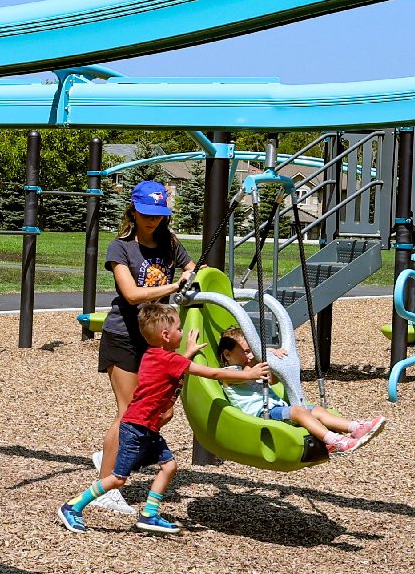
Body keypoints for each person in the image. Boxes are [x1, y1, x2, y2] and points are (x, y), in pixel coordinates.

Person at [59, 303, 268, 534]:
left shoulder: (153, 355)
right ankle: (73, 506)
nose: (182, 331)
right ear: (166, 335)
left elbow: (174, 368)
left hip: (146, 427)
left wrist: (187, 352)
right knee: (118, 479)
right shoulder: (170, 360)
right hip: (136, 428)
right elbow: (214, 373)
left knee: (169, 466)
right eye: (179, 329)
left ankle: (149, 514)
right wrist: (249, 374)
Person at [89, 180, 197, 515]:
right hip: (123, 336)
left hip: (154, 340)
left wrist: (192, 276)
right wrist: (173, 285)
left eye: (158, 214)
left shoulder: (169, 242)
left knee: (162, 411)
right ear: (133, 210)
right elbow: (132, 295)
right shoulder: (119, 248)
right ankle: (107, 484)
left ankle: (110, 453)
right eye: (146, 213)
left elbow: (191, 267)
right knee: (128, 414)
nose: (152, 220)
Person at [215, 328, 384, 455]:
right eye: (246, 351)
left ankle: (355, 427)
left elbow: (273, 380)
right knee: (298, 411)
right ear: (228, 355)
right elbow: (242, 376)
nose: (251, 355)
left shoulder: (252, 367)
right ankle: (334, 441)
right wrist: (257, 365)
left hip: (275, 408)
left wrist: (272, 359)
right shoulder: (230, 374)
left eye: (253, 350)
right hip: (260, 414)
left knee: (315, 409)